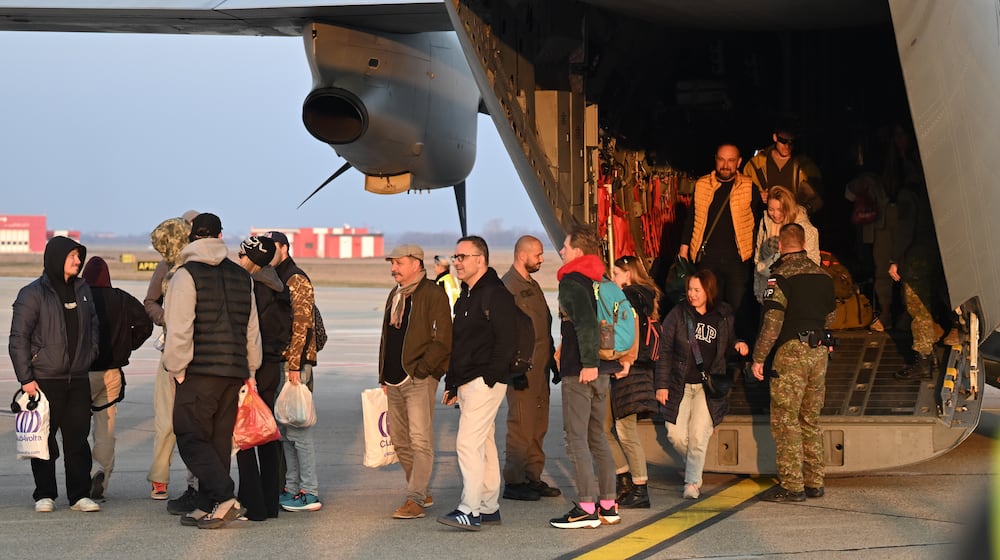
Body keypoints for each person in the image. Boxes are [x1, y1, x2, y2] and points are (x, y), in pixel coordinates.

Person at [164, 212, 262, 528]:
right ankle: (209, 504)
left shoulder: (185, 275)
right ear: (220, 237)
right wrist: (251, 368)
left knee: (190, 435)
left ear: (193, 236)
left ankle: (225, 495)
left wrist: (177, 369)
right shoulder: (241, 276)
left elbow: (179, 328)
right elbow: (252, 329)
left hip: (199, 371)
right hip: (233, 371)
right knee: (217, 441)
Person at [9, 236, 101, 513]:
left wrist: (89, 354)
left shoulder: (83, 290)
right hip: (45, 379)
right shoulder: (32, 293)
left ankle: (79, 495)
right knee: (44, 440)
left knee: (77, 440)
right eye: (72, 256)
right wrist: (26, 378)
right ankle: (45, 494)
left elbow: (94, 326)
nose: (78, 261)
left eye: (78, 256)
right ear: (56, 258)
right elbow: (18, 339)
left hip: (78, 379)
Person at [750, 223, 836, 502]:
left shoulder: (781, 277)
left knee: (786, 420)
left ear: (782, 245)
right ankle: (815, 482)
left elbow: (772, 323)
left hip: (791, 352)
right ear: (802, 242)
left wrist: (759, 358)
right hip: (819, 351)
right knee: (810, 419)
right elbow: (832, 317)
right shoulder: (824, 276)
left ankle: (792, 486)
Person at [437, 235, 517, 531]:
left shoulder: (495, 294)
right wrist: (452, 383)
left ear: (480, 260)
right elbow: (460, 344)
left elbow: (506, 340)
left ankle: (469, 509)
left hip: (485, 380)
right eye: (455, 257)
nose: (456, 262)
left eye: (462, 257)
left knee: (467, 443)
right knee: (483, 441)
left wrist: (491, 377)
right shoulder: (467, 294)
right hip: (468, 380)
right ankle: (488, 506)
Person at [549, 224, 622, 529]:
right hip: (602, 370)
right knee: (598, 437)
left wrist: (587, 363)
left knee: (575, 439)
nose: (561, 251)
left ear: (577, 251)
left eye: (565, 246)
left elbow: (587, 326)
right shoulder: (600, 279)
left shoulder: (572, 283)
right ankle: (608, 504)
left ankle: (586, 507)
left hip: (582, 370)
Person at [655, 269, 748, 499]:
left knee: (698, 436)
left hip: (708, 387)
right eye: (689, 289)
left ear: (708, 291)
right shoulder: (678, 314)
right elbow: (664, 351)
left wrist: (739, 344)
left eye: (697, 290)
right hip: (680, 384)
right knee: (674, 434)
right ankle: (693, 464)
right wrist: (661, 384)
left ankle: (692, 483)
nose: (692, 294)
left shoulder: (723, 314)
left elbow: (729, 340)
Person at [379, 244, 453, 520]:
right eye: (393, 263)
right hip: (393, 379)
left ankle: (415, 498)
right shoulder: (395, 295)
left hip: (418, 378)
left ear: (416, 264)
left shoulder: (433, 293)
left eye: (398, 263)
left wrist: (423, 371)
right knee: (400, 441)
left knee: (420, 440)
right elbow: (387, 338)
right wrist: (382, 374)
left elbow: (443, 339)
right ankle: (420, 488)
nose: (393, 268)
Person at [81, 256, 153, 500]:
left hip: (81, 373)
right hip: (111, 373)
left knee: (77, 429)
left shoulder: (80, 296)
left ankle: (81, 477)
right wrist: (127, 346)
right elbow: (145, 322)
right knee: (105, 428)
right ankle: (101, 470)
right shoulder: (121, 298)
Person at [679, 143, 762, 339]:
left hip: (739, 258)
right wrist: (683, 248)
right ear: (715, 159)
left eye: (731, 160)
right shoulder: (702, 185)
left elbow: (759, 221)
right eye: (722, 159)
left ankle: (741, 353)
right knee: (708, 307)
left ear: (739, 162)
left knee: (739, 308)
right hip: (708, 257)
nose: (726, 165)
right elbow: (691, 218)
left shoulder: (749, 187)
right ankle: (709, 350)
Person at [501, 235, 560, 502]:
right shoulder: (508, 287)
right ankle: (515, 480)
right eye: (537, 254)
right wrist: (514, 369)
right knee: (521, 425)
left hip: (541, 368)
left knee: (538, 423)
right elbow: (505, 334)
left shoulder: (531, 285)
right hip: (522, 371)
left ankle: (532, 476)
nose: (541, 259)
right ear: (522, 255)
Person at [235, 236, 290, 520]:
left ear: (253, 259)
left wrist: (248, 371)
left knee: (245, 433)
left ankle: (252, 502)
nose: (238, 259)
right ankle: (269, 501)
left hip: (253, 366)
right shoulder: (278, 285)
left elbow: (250, 332)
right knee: (267, 433)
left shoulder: (254, 288)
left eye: (242, 255)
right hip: (272, 365)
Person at [145, 210, 199, 502]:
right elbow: (150, 301)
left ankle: (197, 479)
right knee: (165, 419)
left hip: (198, 352)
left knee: (195, 420)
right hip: (171, 352)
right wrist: (164, 317)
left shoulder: (202, 266)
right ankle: (159, 477)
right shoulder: (164, 267)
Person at [267, 230, 322, 512]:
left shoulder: (295, 278)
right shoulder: (275, 276)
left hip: (295, 365)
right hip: (284, 363)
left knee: (300, 430)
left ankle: (309, 491)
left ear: (284, 248)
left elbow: (303, 323)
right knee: (286, 430)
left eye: (272, 246)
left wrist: (295, 366)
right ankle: (291, 488)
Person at [604, 255, 660, 508]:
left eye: (616, 274)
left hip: (631, 369)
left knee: (626, 431)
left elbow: (631, 330)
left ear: (628, 274)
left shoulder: (631, 298)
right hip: (638, 369)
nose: (613, 279)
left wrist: (626, 360)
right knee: (611, 428)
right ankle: (626, 480)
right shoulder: (646, 297)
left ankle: (639, 487)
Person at [753, 185, 820, 302]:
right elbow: (758, 258)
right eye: (771, 209)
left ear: (788, 207)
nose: (775, 214)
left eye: (780, 209)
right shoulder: (765, 223)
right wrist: (759, 291)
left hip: (795, 293)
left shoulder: (805, 228)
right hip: (770, 291)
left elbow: (813, 262)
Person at [743, 125, 824, 214]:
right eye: (783, 141)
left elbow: (818, 197)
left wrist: (802, 210)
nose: (787, 146)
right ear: (775, 137)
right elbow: (742, 195)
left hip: (795, 222)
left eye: (791, 142)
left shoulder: (805, 166)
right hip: (766, 221)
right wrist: (757, 196)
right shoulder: (755, 164)